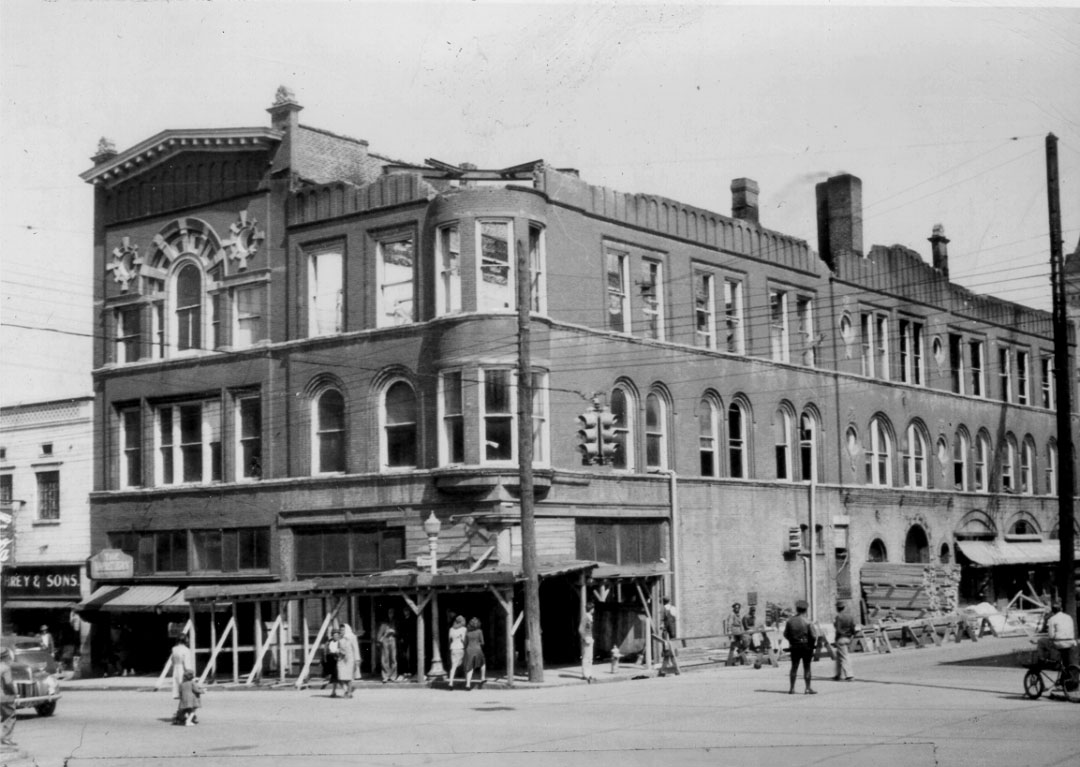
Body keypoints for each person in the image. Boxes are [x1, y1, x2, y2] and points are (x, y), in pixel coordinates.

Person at [783, 599, 816, 695]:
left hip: (794, 646)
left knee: (794, 667)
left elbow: (785, 634)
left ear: (797, 609)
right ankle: (807, 688)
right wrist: (812, 644)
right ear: (805, 610)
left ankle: (792, 688)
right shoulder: (808, 621)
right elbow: (814, 635)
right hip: (806, 646)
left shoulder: (790, 621)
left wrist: (792, 640)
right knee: (807, 667)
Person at [1035, 602, 1077, 667]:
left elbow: (1051, 636)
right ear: (1061, 609)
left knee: (1040, 641)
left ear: (1052, 611)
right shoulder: (1069, 617)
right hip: (1070, 641)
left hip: (1060, 643)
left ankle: (1042, 660)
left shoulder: (1052, 619)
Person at [832, 600, 856, 681]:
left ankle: (849, 675)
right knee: (839, 657)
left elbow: (838, 629)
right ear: (844, 608)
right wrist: (851, 636)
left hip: (840, 638)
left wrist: (838, 635)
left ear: (837, 608)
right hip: (848, 638)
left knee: (844, 657)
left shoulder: (838, 617)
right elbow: (853, 628)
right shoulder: (850, 616)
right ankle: (838, 675)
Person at [463, 617, 486, 690]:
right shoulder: (479, 631)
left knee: (470, 667)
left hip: (469, 650)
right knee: (483, 663)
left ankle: (468, 684)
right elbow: (482, 642)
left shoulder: (467, 632)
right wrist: (478, 643)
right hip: (478, 649)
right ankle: (482, 678)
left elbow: (465, 643)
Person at [377, 610, 398, 683]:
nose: (391, 615)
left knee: (393, 658)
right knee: (385, 658)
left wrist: (394, 632)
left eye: (392, 613)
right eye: (389, 613)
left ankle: (393, 676)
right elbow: (380, 633)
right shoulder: (384, 623)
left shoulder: (395, 622)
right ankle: (385, 676)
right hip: (385, 640)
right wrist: (380, 640)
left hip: (392, 639)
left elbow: (398, 632)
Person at [170, 635, 194, 700]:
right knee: (183, 681)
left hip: (176, 666)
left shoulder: (174, 649)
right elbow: (187, 662)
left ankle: (176, 694)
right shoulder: (186, 650)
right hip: (182, 667)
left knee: (176, 680)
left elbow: (172, 659)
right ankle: (183, 695)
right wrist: (189, 670)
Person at [334, 628, 355, 698]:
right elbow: (339, 648)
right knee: (340, 676)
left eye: (343, 630)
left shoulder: (351, 640)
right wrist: (338, 651)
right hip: (341, 660)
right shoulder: (340, 641)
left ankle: (349, 693)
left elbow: (353, 650)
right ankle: (347, 690)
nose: (341, 632)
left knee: (348, 677)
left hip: (349, 660)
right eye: (340, 631)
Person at [1, 647, 16, 747]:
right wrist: (14, 692)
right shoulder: (5, 668)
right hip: (4, 696)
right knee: (10, 716)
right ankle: (6, 739)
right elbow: (8, 683)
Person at [447, 615, 467, 689]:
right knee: (464, 664)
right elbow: (464, 640)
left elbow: (449, 639)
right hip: (460, 647)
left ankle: (451, 682)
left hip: (453, 648)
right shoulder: (464, 629)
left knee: (453, 666)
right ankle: (466, 682)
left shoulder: (451, 629)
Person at [579, 602, 596, 683]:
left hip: (590, 637)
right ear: (591, 609)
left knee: (590, 658)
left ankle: (589, 674)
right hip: (587, 638)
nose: (594, 610)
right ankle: (586, 674)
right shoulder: (586, 617)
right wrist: (585, 638)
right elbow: (581, 629)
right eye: (593, 608)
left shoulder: (589, 617)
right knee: (586, 657)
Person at [324, 629, 342, 695]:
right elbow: (325, 652)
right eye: (334, 635)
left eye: (337, 635)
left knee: (337, 676)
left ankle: (345, 690)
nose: (336, 636)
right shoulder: (329, 643)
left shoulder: (340, 642)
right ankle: (334, 691)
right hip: (331, 661)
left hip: (338, 660)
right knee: (335, 676)